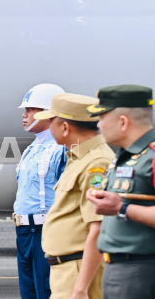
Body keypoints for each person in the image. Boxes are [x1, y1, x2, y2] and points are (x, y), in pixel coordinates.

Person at [31, 93, 113, 299]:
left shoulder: (97, 162)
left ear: (65, 127)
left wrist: (80, 288)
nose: (49, 128)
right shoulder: (78, 157)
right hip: (67, 268)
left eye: (51, 122)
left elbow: (99, 228)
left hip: (79, 269)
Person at [85, 85, 155, 299]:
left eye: (102, 117)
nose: (98, 125)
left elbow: (122, 207)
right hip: (119, 269)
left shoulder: (151, 157)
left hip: (142, 271)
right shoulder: (125, 156)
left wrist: (121, 208)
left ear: (123, 122)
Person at [14, 83, 68, 299]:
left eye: (31, 110)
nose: (24, 115)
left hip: (45, 230)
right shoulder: (31, 148)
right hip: (24, 231)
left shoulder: (61, 148)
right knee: (29, 292)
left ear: (50, 113)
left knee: (46, 291)